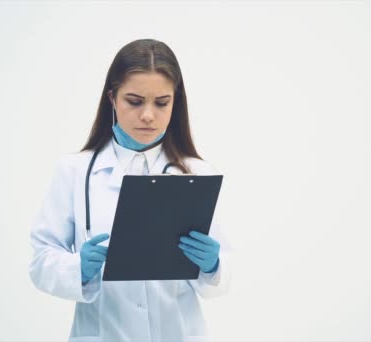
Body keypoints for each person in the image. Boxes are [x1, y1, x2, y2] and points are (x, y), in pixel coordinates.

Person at [28, 38, 231, 342]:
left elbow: (223, 279)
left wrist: (214, 265)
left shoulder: (198, 174)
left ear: (175, 102)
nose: (148, 115)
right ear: (112, 98)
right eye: (134, 101)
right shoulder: (74, 171)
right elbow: (41, 261)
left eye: (162, 103)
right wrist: (77, 269)